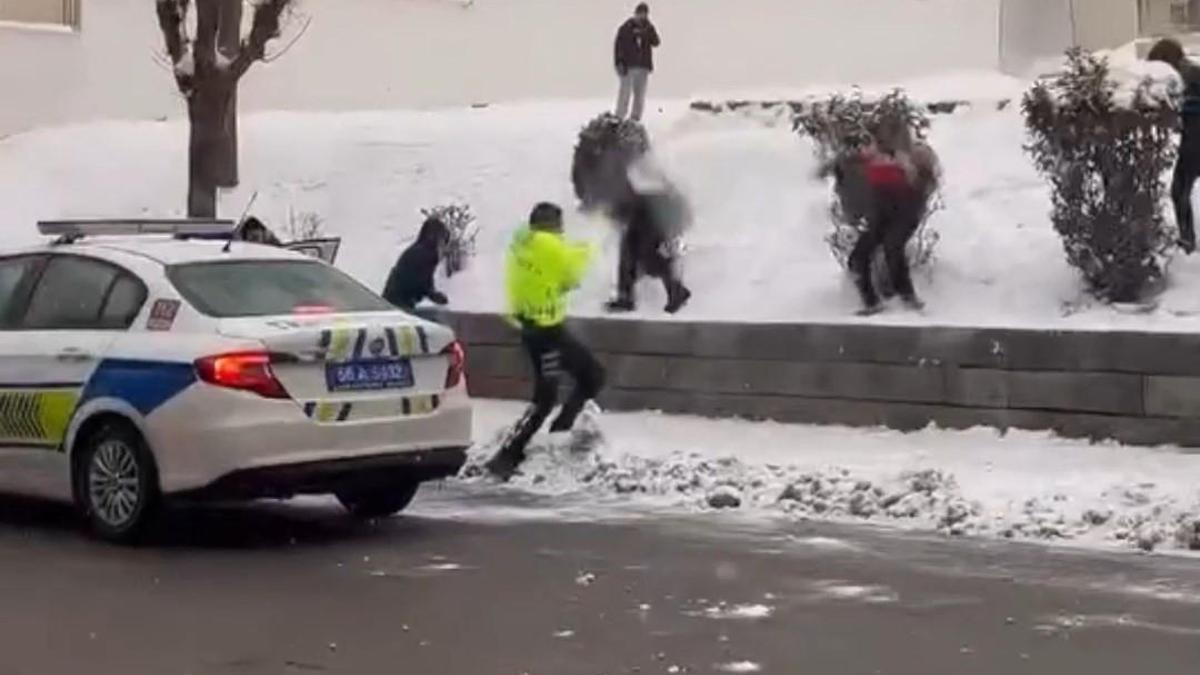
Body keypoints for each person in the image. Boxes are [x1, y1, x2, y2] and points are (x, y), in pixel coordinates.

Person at [484, 202, 605, 480]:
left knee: (578, 382)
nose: (562, 231)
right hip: (546, 332)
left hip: (535, 327)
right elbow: (572, 275)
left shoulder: (523, 243)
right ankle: (509, 454)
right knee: (560, 391)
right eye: (560, 226)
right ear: (552, 225)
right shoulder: (549, 247)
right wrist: (588, 248)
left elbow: (554, 275)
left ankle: (547, 437)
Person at [841, 119, 940, 315]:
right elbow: (851, 164)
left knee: (892, 248)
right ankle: (871, 302)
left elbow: (926, 177)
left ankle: (908, 299)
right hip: (881, 213)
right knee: (858, 258)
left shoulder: (910, 156)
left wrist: (911, 168)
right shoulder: (870, 157)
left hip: (905, 211)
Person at [1148, 38, 1200, 253]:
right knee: (1180, 190)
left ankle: (1187, 241)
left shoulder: (1180, 76)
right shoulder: (1190, 71)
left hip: (1195, 142)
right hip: (1193, 138)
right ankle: (1187, 240)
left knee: (1179, 191)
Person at [605, 188, 691, 314]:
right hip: (651, 202)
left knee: (644, 251)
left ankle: (675, 291)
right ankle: (675, 291)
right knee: (639, 250)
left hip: (648, 203)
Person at [382, 216, 450, 315]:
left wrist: (431, 293)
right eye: (443, 240)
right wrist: (432, 294)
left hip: (394, 300)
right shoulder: (426, 253)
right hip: (399, 302)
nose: (444, 246)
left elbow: (425, 280)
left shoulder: (420, 250)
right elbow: (419, 281)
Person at [614, 3, 660, 122]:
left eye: (645, 14)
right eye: (640, 14)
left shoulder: (648, 28)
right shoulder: (626, 28)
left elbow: (656, 42)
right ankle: (620, 116)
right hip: (628, 66)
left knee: (640, 94)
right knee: (625, 92)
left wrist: (649, 30)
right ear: (636, 13)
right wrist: (619, 62)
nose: (642, 16)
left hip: (643, 67)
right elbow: (618, 46)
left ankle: (635, 117)